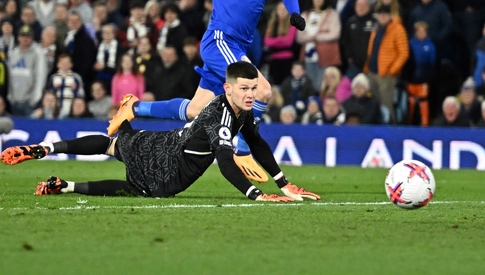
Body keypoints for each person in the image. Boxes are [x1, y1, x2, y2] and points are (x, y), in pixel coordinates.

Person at [109, 0, 306, 157]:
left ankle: (134, 108)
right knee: (261, 90)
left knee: (194, 110)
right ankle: (244, 152)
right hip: (219, 41)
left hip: (238, 46)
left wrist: (294, 12)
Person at [2, 62, 320, 202]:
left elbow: (258, 143)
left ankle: (47, 151)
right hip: (168, 166)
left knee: (116, 145)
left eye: (253, 88)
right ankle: (65, 183)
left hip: (165, 143)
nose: (250, 94)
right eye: (244, 89)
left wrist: (284, 183)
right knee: (138, 187)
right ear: (228, 88)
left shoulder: (242, 111)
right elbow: (225, 162)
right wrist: (257, 194)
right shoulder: (220, 115)